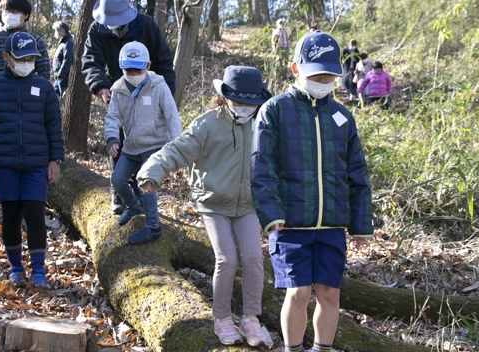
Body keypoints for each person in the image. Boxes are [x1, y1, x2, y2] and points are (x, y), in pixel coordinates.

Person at [251, 30, 373, 352]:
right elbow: (262, 167)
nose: (322, 80)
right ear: (296, 70)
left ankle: (322, 348)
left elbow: (357, 172)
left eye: (329, 75)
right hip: (291, 223)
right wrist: (271, 212)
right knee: (299, 292)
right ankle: (292, 349)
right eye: (315, 74)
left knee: (330, 293)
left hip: (332, 224)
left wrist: (361, 225)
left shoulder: (342, 117)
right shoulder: (275, 110)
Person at [138, 66, 271, 347]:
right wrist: (152, 172)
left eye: (251, 103)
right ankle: (222, 317)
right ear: (225, 97)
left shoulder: (261, 123)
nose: (246, 108)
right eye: (239, 102)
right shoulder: (208, 124)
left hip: (247, 204)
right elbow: (177, 149)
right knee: (227, 259)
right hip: (213, 203)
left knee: (253, 258)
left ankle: (250, 318)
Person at [0, 32, 64, 289]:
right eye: (21, 58)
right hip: (4, 163)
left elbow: (53, 127)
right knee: (11, 214)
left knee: (35, 213)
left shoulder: (44, 88)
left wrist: (55, 159)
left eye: (31, 58)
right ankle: (15, 268)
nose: (27, 62)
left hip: (36, 163)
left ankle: (38, 271)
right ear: (6, 57)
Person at [82, 0, 177, 215]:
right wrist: (100, 86)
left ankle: (144, 195)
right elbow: (91, 61)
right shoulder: (97, 29)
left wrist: (164, 98)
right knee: (118, 144)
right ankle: (119, 195)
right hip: (119, 92)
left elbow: (164, 62)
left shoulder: (146, 25)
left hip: (149, 93)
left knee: (146, 147)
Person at [104, 41, 180, 244]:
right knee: (117, 179)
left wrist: (177, 146)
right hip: (131, 146)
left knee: (146, 181)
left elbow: (172, 116)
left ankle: (153, 227)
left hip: (155, 144)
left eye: (137, 69)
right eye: (128, 69)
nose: (133, 73)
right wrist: (112, 138)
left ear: (147, 66)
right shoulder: (118, 89)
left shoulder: (159, 86)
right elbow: (112, 117)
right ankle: (133, 206)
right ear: (122, 68)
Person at [51, 21, 74, 97]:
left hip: (63, 78)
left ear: (62, 31)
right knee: (54, 97)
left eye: (56, 30)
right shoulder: (63, 42)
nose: (55, 32)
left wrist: (61, 75)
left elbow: (67, 59)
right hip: (59, 78)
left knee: (61, 99)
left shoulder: (68, 43)